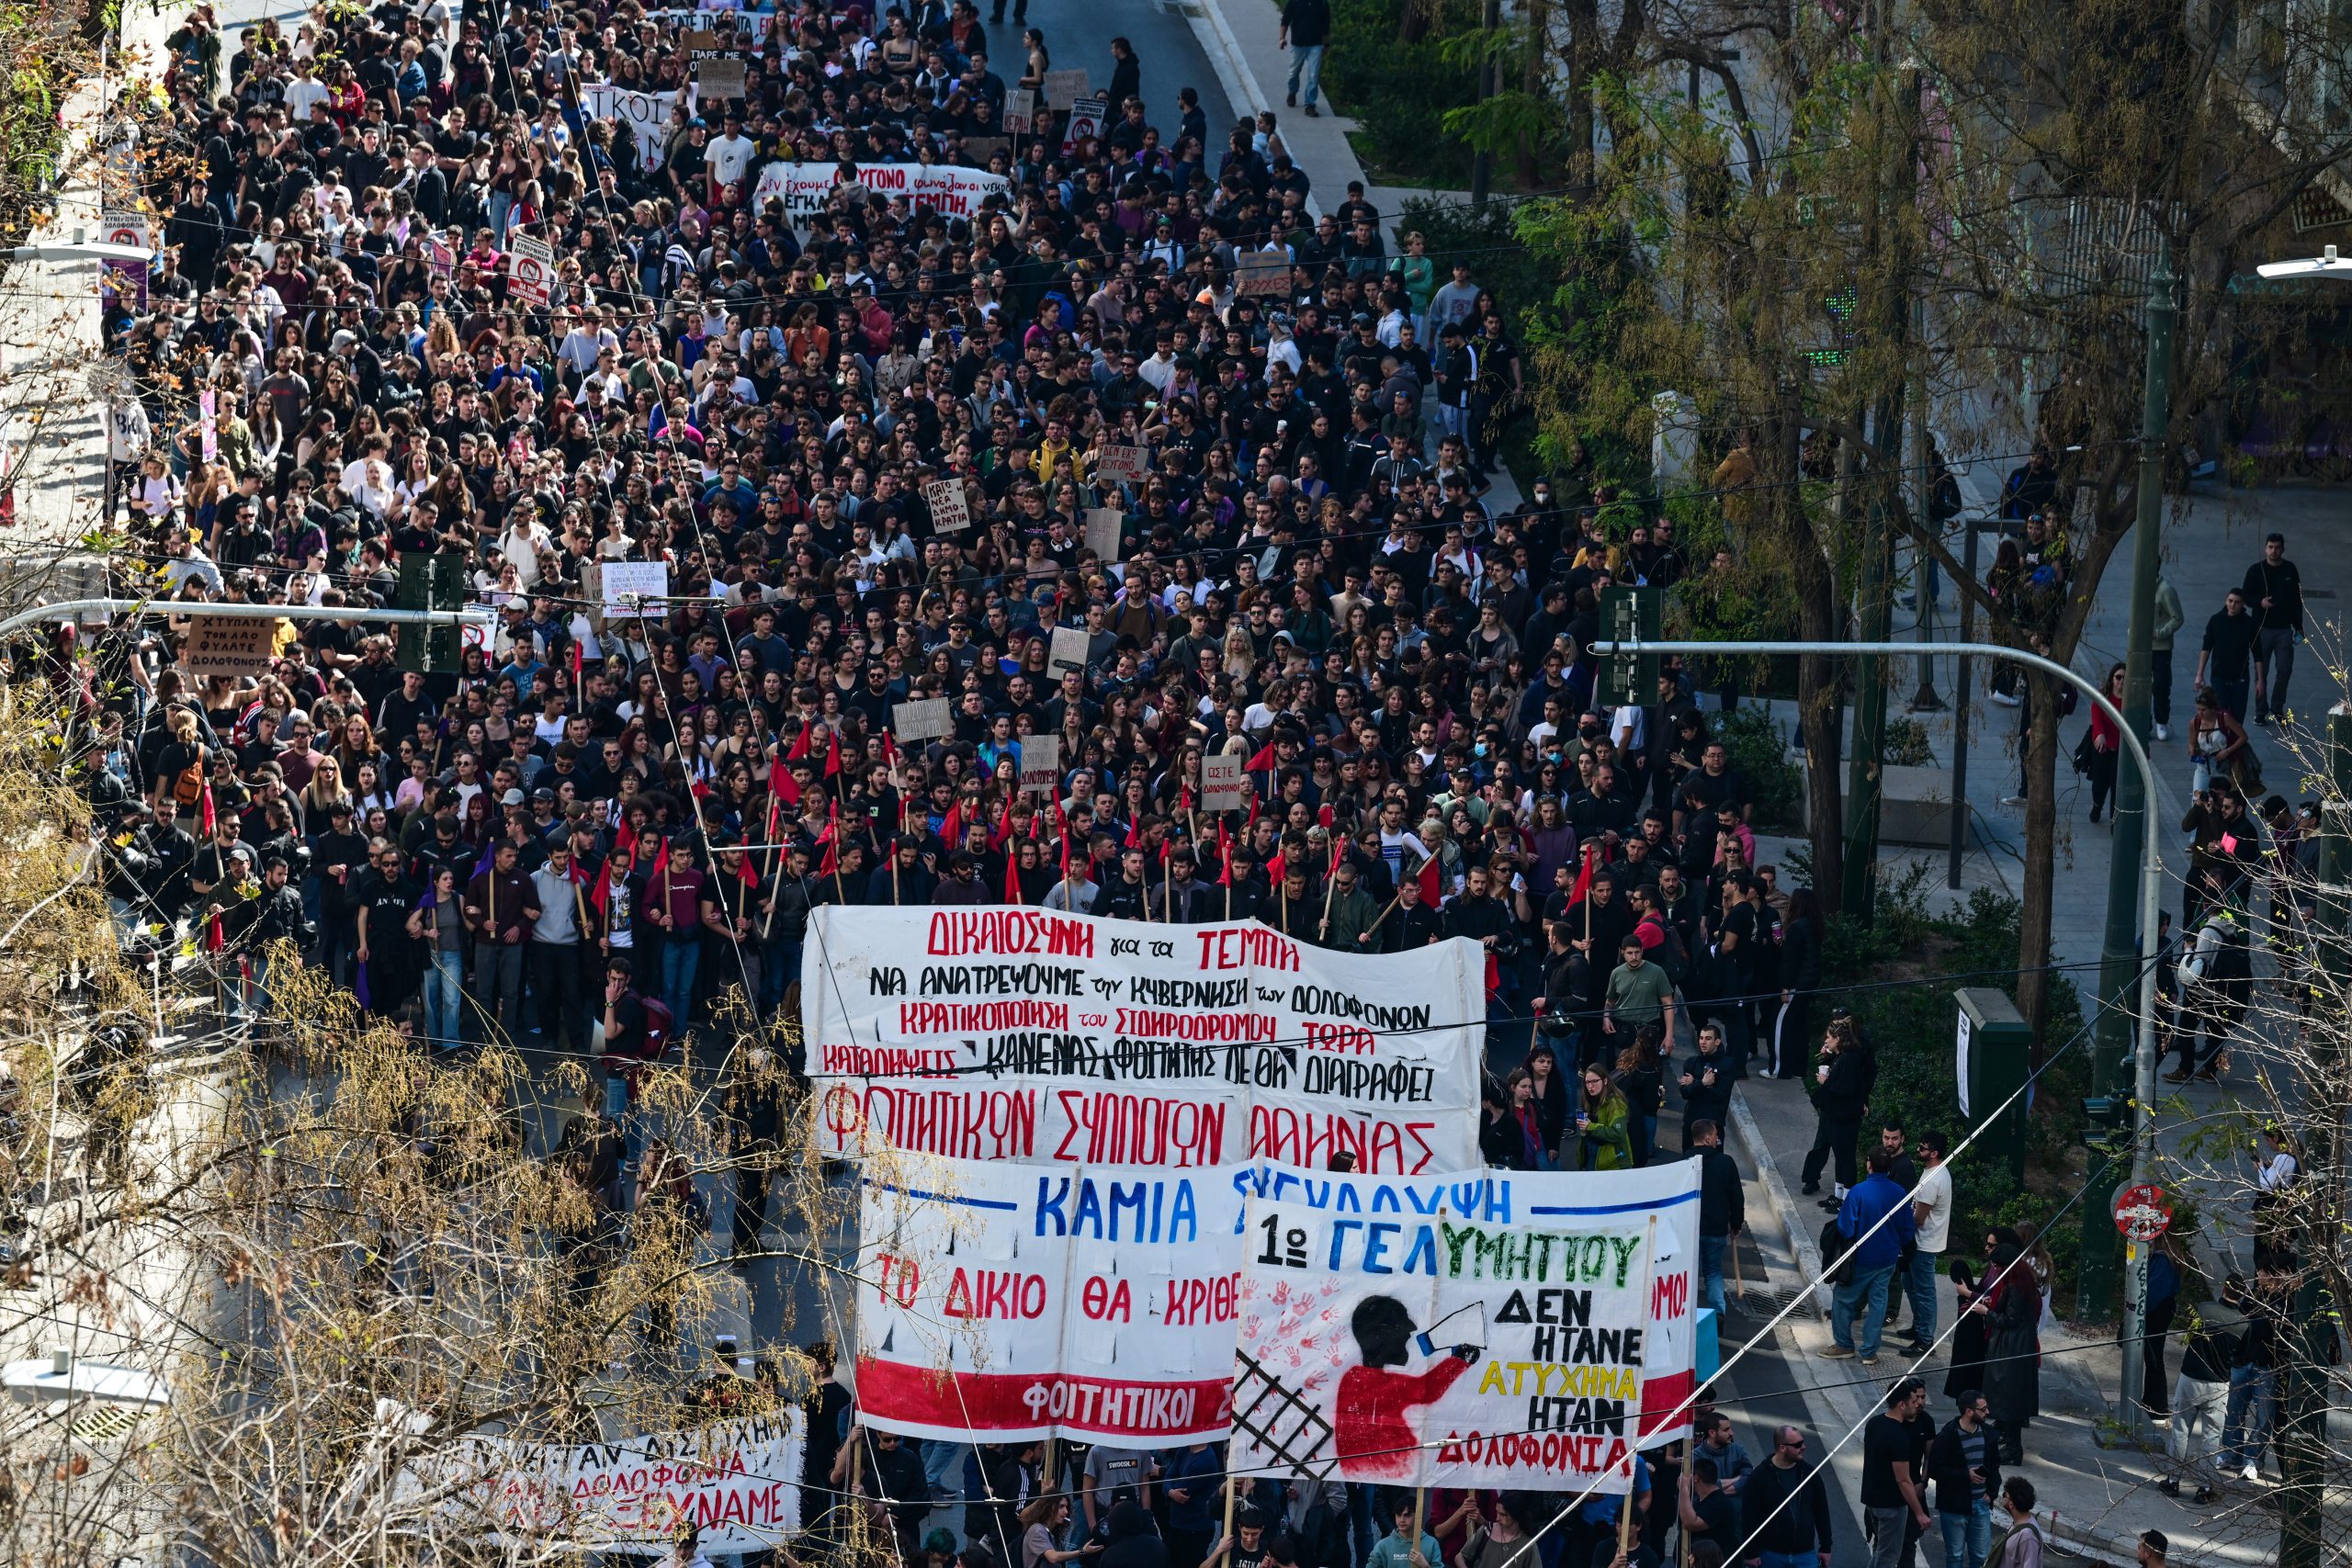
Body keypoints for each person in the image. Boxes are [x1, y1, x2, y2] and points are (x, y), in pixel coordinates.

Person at [1821, 1149, 1916, 1367]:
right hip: (1888, 1259)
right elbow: (1907, 1230)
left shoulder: (1858, 1192)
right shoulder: (1899, 1192)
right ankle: (1869, 1351)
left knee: (1843, 1300)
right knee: (1878, 1303)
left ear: (1869, 1164)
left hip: (1861, 1257)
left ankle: (1844, 1344)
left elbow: (1845, 1227)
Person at [1860, 1378, 1932, 1568]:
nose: (1917, 1404)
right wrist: (1919, 1513)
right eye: (1913, 1401)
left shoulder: (1874, 1423)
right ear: (1901, 1404)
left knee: (1881, 1552)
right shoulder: (1898, 1435)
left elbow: (1870, 1460)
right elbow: (1903, 1480)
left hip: (1872, 1500)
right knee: (1889, 1557)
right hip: (1891, 1506)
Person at [1739, 1427, 1834, 1568]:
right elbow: (1748, 1518)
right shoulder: (1759, 1477)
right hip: (1770, 1554)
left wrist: (1826, 1547)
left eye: (1803, 1442)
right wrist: (1751, 1553)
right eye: (1797, 1445)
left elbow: (1822, 1512)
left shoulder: (1809, 1474)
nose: (1803, 1447)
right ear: (1782, 1448)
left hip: (1805, 1553)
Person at [1927, 1389, 2001, 1568]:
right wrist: (1964, 1475)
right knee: (1955, 1555)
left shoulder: (1988, 1434)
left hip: (1980, 1504)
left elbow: (1995, 1468)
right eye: (1983, 1409)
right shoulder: (1947, 1436)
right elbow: (1935, 1471)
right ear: (1969, 1411)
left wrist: (1991, 1493)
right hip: (1954, 1506)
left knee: (1982, 1556)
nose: (1987, 1412)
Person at [2243, 532, 2302, 724]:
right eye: (2270, 547)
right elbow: (2245, 596)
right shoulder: (2255, 570)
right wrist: (2259, 602)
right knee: (2261, 671)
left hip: (2284, 629)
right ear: (2265, 548)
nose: (2273, 551)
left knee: (2284, 669)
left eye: (2277, 547)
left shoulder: (2290, 570)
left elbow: (2296, 599)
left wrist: (2299, 627)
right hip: (2262, 629)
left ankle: (2277, 708)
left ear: (2282, 549)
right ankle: (2260, 710)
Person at [1903, 1130, 1952, 1357]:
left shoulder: (1932, 1181)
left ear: (1934, 1153)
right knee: (1910, 1284)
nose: (1918, 1150)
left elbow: (1919, 1219)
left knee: (1924, 1292)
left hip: (1924, 1244)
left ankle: (1925, 1339)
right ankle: (1919, 1327)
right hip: (1925, 1242)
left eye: (1922, 1148)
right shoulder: (1936, 1173)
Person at [1690, 1119, 1744, 1317]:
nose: (1717, 1138)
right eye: (1714, 1135)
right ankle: (1717, 1316)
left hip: (1691, 1228)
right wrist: (1736, 1224)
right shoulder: (1726, 1163)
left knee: (1690, 1273)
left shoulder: (1683, 1162)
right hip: (1716, 1228)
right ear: (1707, 1138)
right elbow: (1736, 1198)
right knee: (1713, 1272)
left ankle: (1686, 1316)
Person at [1562, 1065, 1633, 1171]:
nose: (1590, 1086)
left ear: (1605, 1081)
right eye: (1587, 1082)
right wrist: (1588, 1122)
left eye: (1594, 1081)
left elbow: (1618, 1133)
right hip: (1592, 1154)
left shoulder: (1616, 1103)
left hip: (1612, 1162)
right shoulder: (1588, 1099)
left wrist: (1590, 1126)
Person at [1277, 0, 1331, 116]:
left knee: (1313, 75)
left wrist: (1326, 45)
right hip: (1298, 44)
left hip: (1315, 45)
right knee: (1293, 73)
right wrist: (1282, 38)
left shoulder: (1322, 4)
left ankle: (1310, 105)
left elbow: (1326, 25)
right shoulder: (1294, 2)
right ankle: (1292, 92)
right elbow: (1285, 21)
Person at [1987, 1479, 2040, 1568]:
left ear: (2011, 1504)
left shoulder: (2027, 1535)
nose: (2003, 1497)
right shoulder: (2020, 1523)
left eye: (2005, 1495)